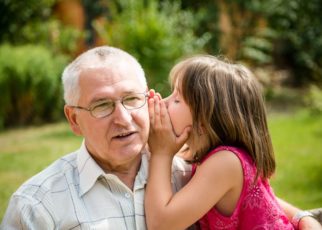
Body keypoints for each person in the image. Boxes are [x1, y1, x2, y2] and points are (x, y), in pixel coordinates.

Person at [0, 47, 318, 230]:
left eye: (132, 99)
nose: (123, 118)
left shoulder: (190, 172)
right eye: (102, 105)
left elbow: (259, 198)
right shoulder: (36, 207)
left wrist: (305, 219)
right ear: (73, 119)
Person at [145, 55, 322, 230]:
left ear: (204, 122)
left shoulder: (225, 162)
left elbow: (161, 225)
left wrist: (161, 153)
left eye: (177, 99)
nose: (164, 102)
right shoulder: (222, 156)